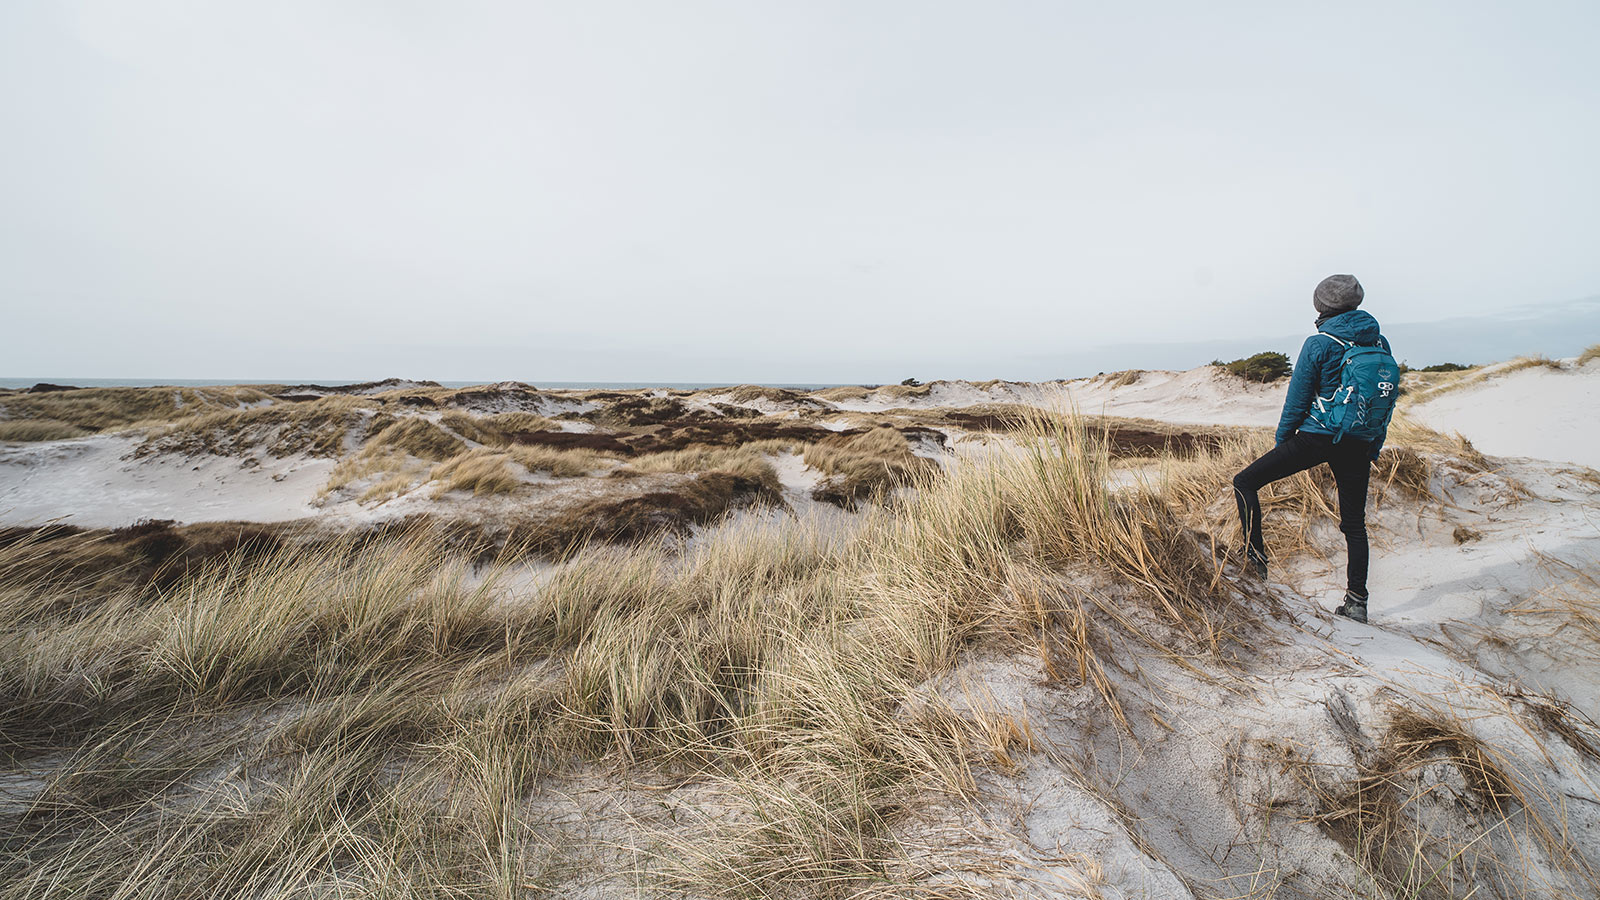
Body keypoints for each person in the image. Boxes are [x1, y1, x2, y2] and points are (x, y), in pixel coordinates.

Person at [1232, 274, 1392, 624]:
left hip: (1317, 436)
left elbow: (1297, 399)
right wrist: (1373, 445)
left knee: (1245, 481)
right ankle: (1357, 601)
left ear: (1321, 306)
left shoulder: (1319, 342)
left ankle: (1255, 562)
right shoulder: (1379, 342)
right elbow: (1385, 401)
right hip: (1359, 441)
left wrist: (1283, 443)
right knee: (1354, 524)